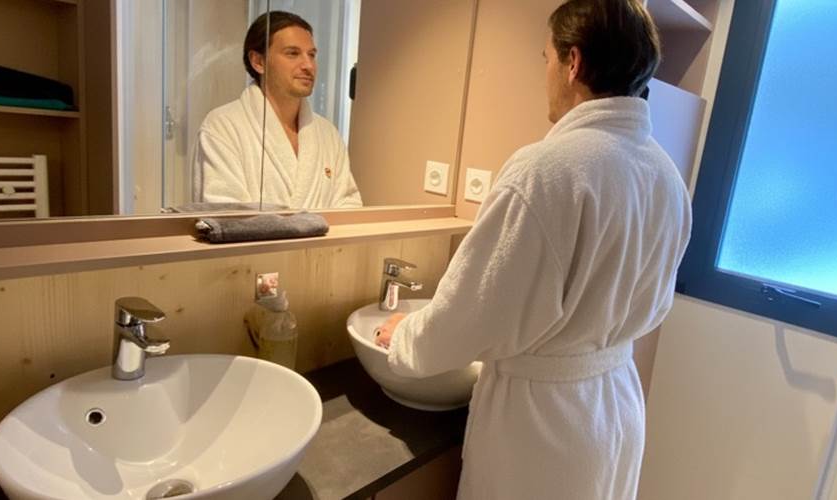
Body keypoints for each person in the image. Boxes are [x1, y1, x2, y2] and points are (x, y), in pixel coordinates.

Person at [373, 0, 691, 498]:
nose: (544, 73)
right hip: (616, 409)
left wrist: (405, 337)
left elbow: (470, 316)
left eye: (545, 58)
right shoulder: (664, 175)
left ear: (574, 63)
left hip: (545, 429)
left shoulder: (547, 169)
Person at [192, 11, 362, 209]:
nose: (309, 65)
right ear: (258, 62)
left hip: (321, 242)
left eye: (312, 55)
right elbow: (223, 214)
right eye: (293, 53)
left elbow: (348, 205)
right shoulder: (222, 127)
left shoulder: (328, 134)